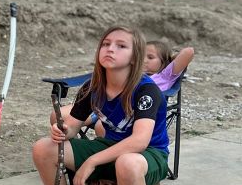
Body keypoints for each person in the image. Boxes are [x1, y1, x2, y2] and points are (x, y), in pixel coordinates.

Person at [25, 25, 170, 185]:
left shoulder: (146, 90)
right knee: (44, 148)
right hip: (110, 147)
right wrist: (62, 130)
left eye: (121, 46)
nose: (110, 49)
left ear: (135, 57)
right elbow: (74, 125)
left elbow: (139, 142)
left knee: (128, 162)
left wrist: (91, 161)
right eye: (106, 44)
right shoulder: (94, 86)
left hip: (149, 154)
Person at [49, 37, 194, 135]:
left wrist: (170, 60)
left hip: (133, 118)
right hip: (101, 109)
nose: (143, 60)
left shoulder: (164, 76)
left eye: (150, 57)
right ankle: (68, 158)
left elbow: (189, 52)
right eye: (141, 55)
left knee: (101, 127)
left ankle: (103, 164)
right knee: (57, 115)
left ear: (163, 63)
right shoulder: (128, 72)